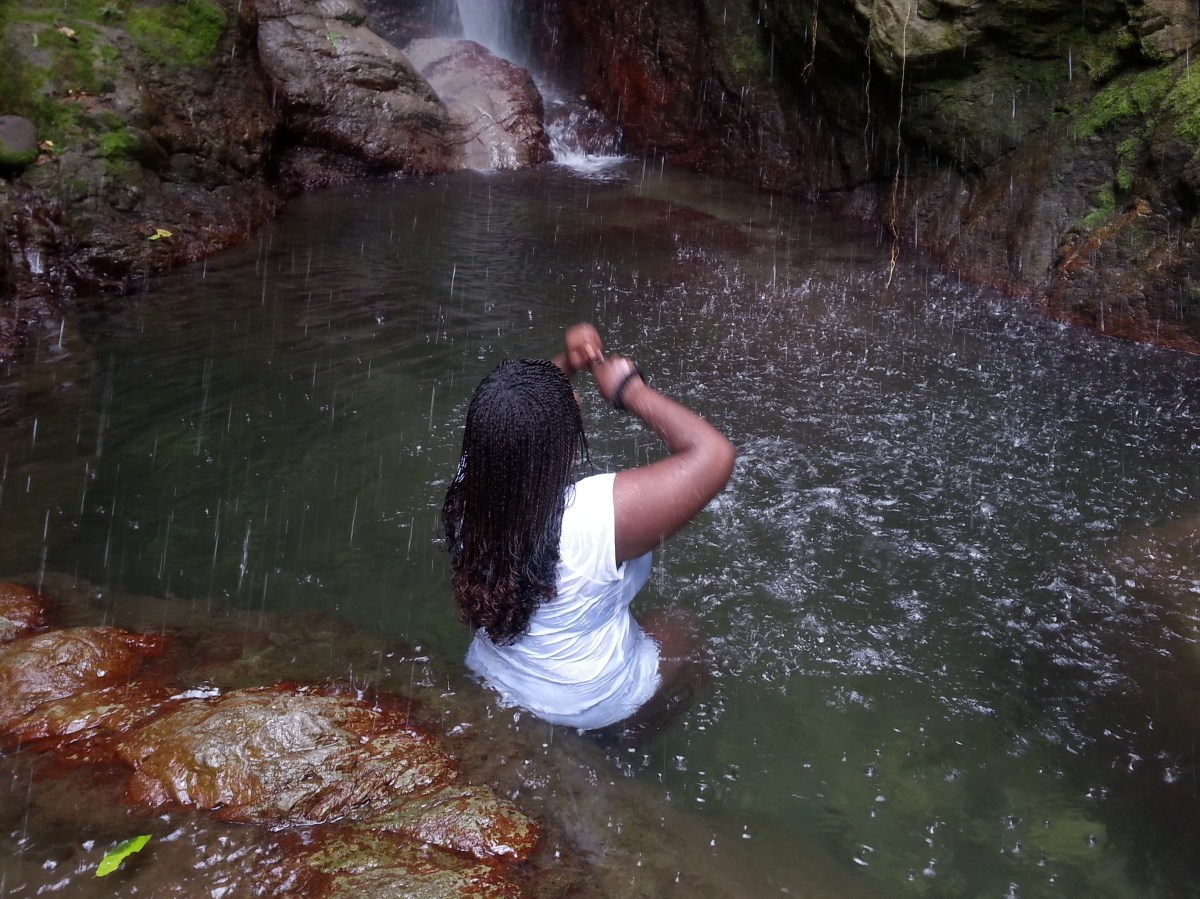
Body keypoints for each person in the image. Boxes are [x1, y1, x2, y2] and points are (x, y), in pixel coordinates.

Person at [441, 323, 735, 733]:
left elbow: (520, 404)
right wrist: (629, 391)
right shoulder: (591, 516)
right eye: (570, 408)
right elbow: (714, 455)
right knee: (683, 629)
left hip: (494, 678)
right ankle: (634, 739)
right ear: (559, 448)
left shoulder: (470, 485)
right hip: (587, 703)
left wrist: (569, 363)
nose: (577, 399)